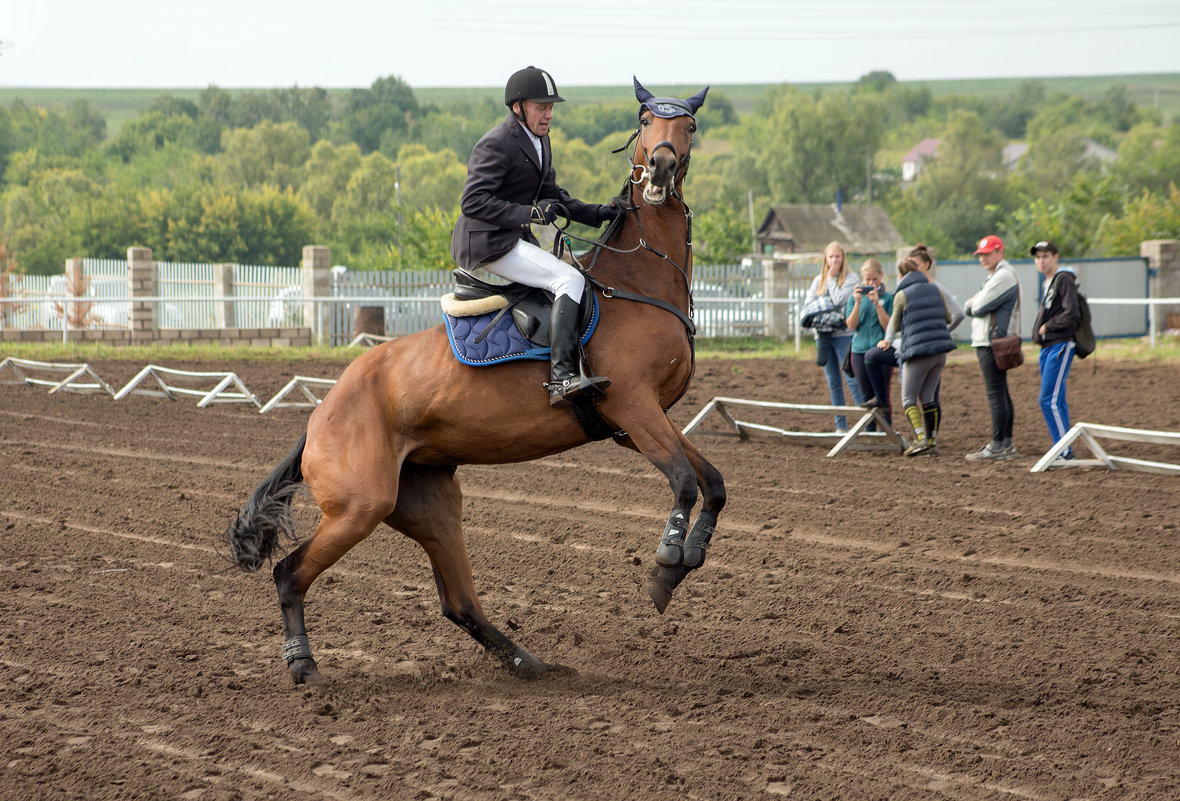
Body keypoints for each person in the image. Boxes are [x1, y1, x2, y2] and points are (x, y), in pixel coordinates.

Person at [450, 66, 621, 408]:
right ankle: (561, 379)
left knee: (572, 278)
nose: (549, 113)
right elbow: (472, 201)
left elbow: (554, 194)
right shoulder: (497, 142)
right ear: (518, 107)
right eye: (541, 106)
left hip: (512, 236)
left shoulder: (540, 140)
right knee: (569, 280)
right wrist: (528, 214)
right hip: (488, 242)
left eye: (551, 107)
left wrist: (595, 213)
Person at [877, 257, 956, 456]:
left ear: (901, 275)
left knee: (908, 399)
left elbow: (894, 326)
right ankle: (932, 441)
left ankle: (920, 439)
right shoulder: (936, 289)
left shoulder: (901, 295)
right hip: (940, 352)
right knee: (929, 397)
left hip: (918, 353)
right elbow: (948, 317)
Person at [963, 235, 1022, 462]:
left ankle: (998, 445)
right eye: (981, 255)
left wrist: (972, 302)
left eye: (988, 254)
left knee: (995, 393)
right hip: (993, 341)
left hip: (991, 342)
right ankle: (1005, 444)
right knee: (1001, 391)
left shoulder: (1003, 276)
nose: (983, 258)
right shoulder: (998, 275)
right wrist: (974, 303)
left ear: (1000, 252)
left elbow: (977, 307)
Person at [906, 244, 965, 449]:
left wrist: (940, 333)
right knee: (926, 395)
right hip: (928, 348)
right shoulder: (916, 289)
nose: (911, 268)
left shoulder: (936, 288)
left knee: (926, 396)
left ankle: (929, 439)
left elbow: (958, 314)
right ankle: (928, 440)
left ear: (926, 265)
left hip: (924, 350)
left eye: (915, 264)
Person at [804, 242, 864, 432]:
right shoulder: (817, 281)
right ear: (825, 259)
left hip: (844, 335)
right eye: (831, 257)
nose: (834, 260)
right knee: (833, 382)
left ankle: (866, 425)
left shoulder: (851, 279)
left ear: (843, 258)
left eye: (838, 256)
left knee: (852, 379)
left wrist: (830, 279)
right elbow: (808, 307)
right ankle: (841, 427)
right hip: (823, 336)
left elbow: (839, 299)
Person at [1030, 240, 1079, 465]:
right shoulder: (1048, 282)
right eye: (1038, 257)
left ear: (1055, 257)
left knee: (1047, 399)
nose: (1041, 261)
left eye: (1045, 256)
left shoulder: (1064, 279)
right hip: (1048, 346)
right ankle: (1063, 447)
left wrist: (1048, 327)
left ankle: (1064, 451)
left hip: (1060, 344)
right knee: (1056, 400)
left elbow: (1072, 313)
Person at [845, 258, 892, 429]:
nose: (871, 283)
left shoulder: (888, 298)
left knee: (883, 395)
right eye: (867, 280)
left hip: (881, 352)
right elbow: (851, 325)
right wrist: (857, 302)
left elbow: (889, 326)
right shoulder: (854, 298)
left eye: (874, 279)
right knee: (867, 397)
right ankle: (870, 433)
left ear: (881, 276)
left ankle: (887, 433)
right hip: (859, 351)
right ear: (862, 280)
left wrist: (877, 304)